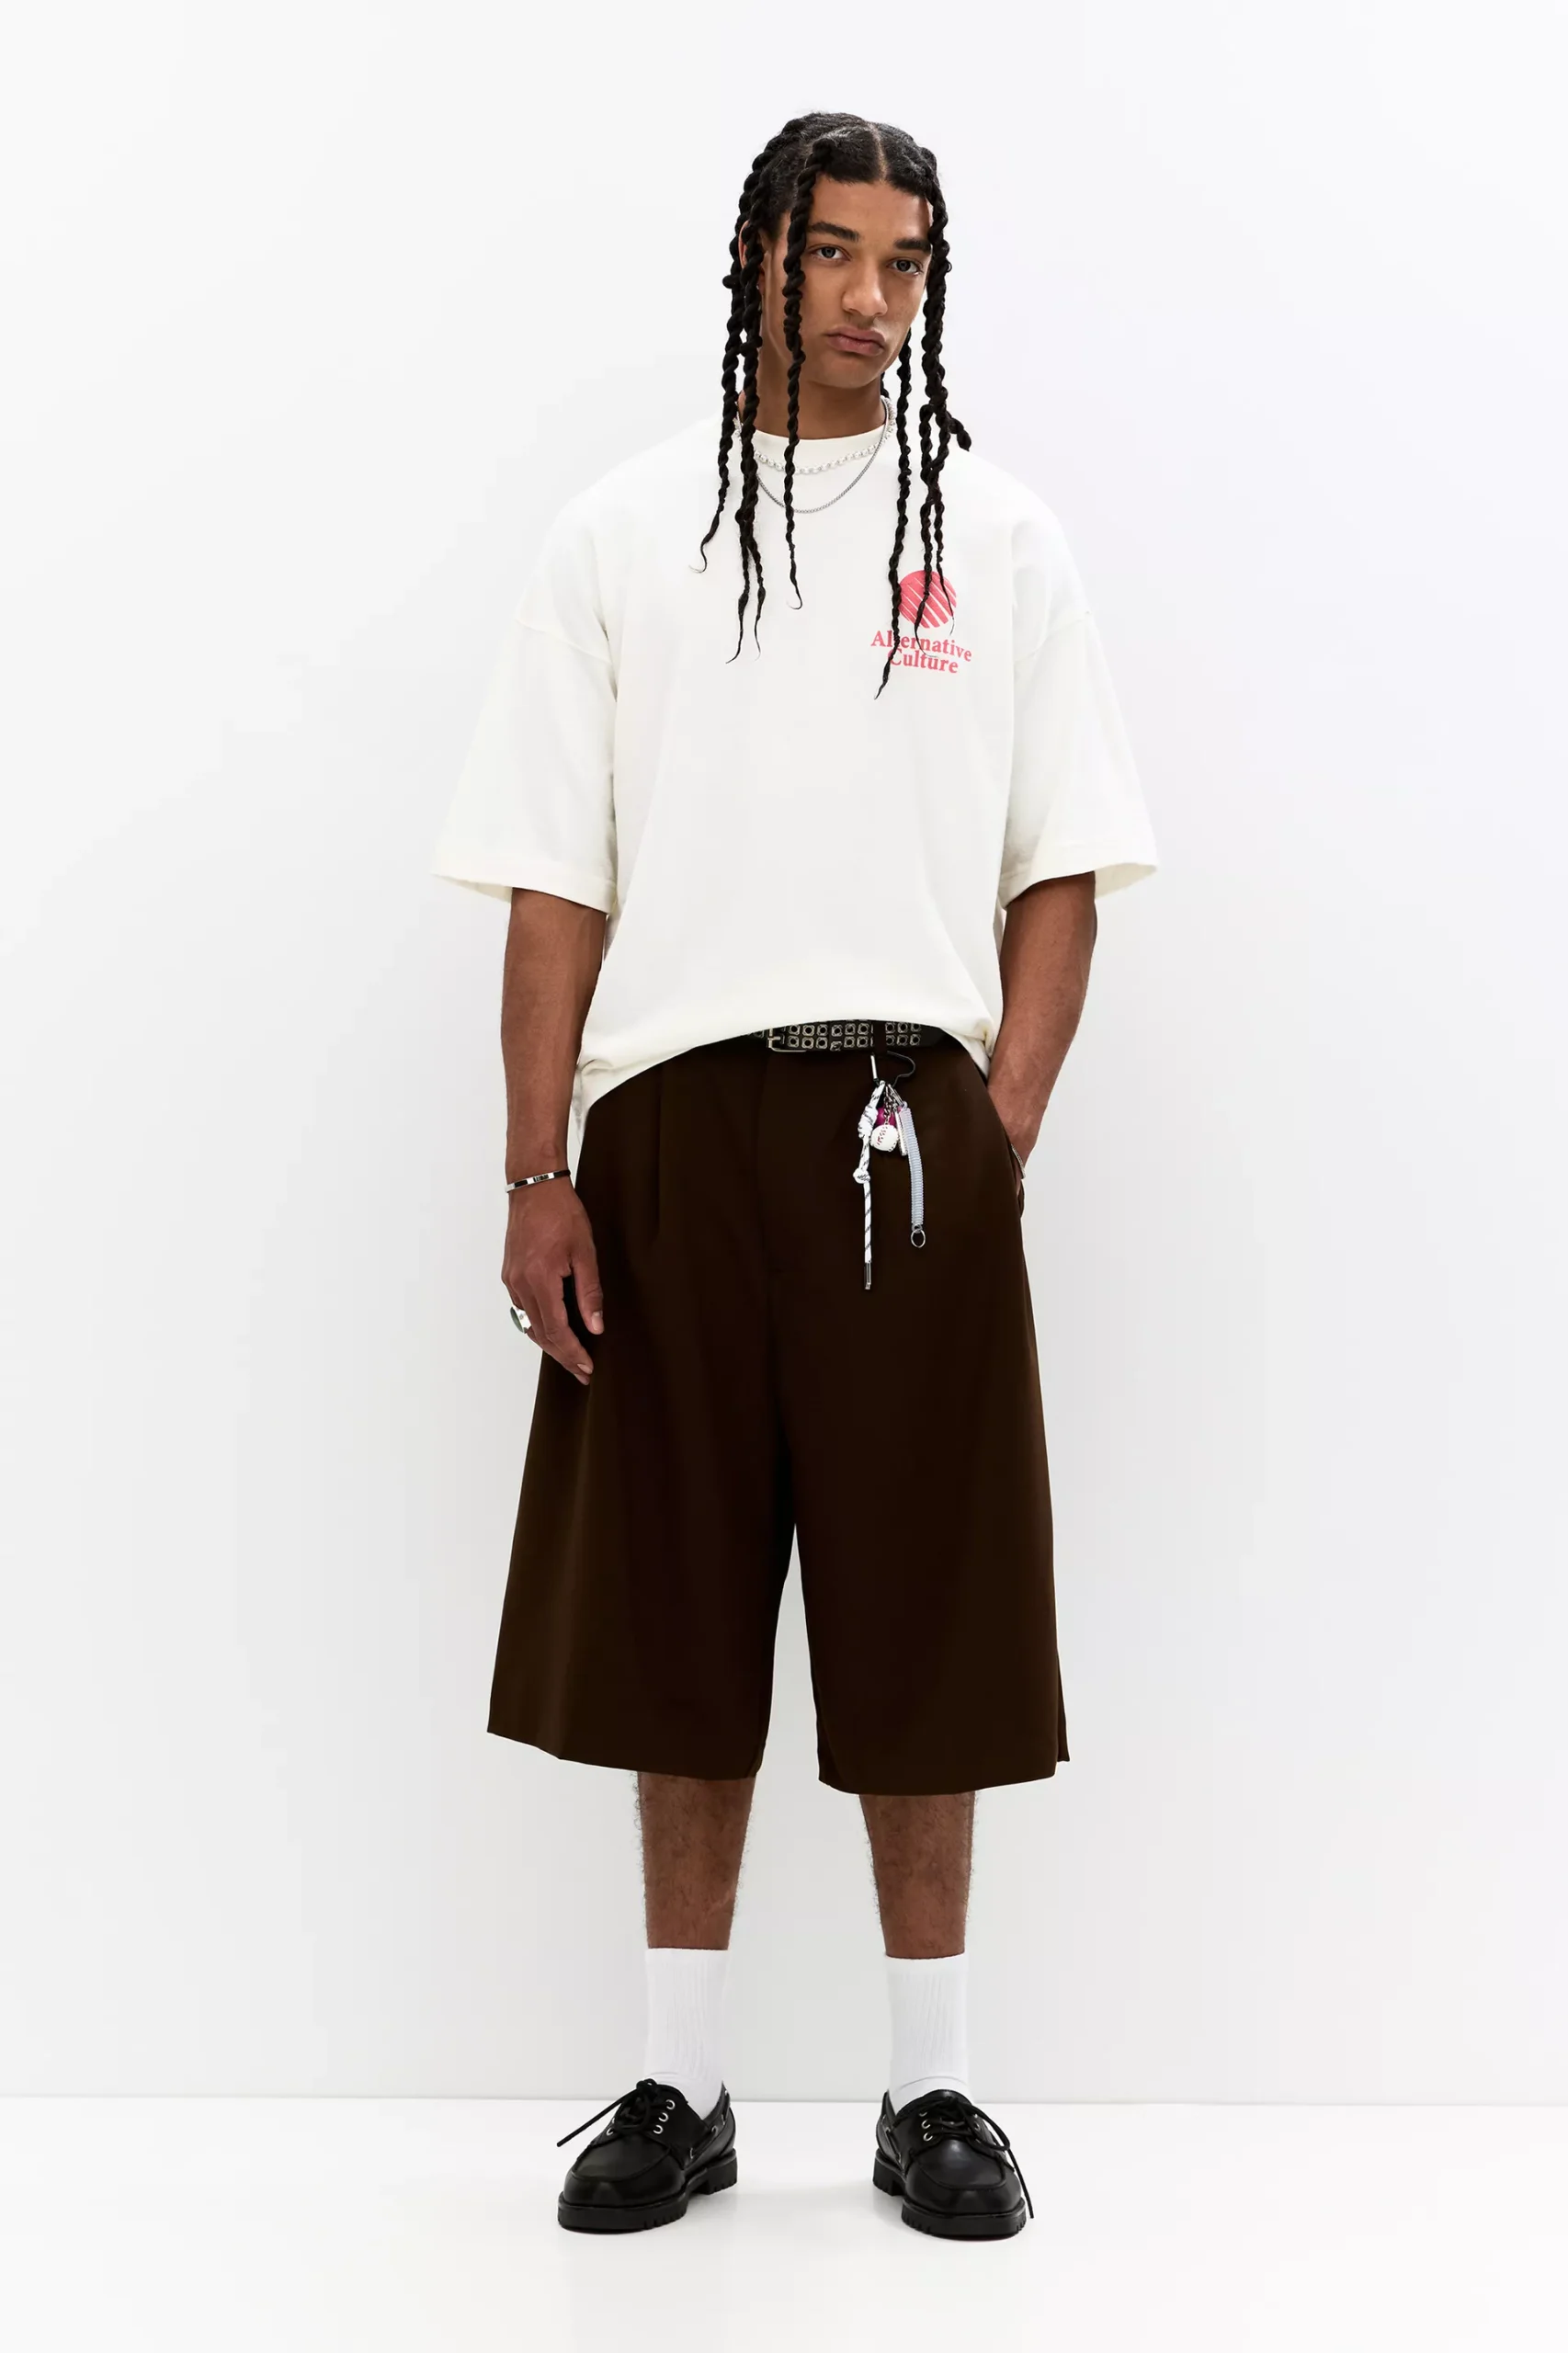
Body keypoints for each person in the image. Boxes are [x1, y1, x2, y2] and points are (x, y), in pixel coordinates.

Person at [432, 110, 1157, 2241]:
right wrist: (536, 1164)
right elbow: (555, 879)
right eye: (830, 253)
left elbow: (1063, 863)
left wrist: (999, 1121)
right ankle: (683, 2077)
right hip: (669, 1122)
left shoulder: (997, 540)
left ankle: (932, 2090)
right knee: (674, 1603)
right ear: (754, 255)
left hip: (905, 1125)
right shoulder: (622, 533)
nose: (867, 298)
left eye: (903, 264)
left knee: (927, 1598)